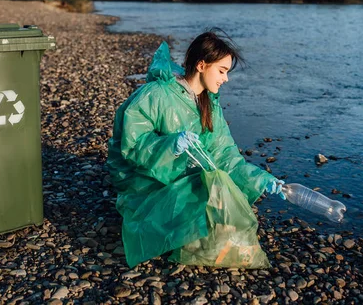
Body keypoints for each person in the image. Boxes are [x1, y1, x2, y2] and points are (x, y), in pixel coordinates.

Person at [106, 29, 285, 268]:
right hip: (146, 180)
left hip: (181, 175)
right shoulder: (156, 94)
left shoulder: (208, 104)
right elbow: (131, 146)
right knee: (208, 208)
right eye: (222, 71)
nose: (226, 79)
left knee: (222, 197)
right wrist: (171, 146)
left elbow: (224, 154)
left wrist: (261, 179)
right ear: (201, 65)